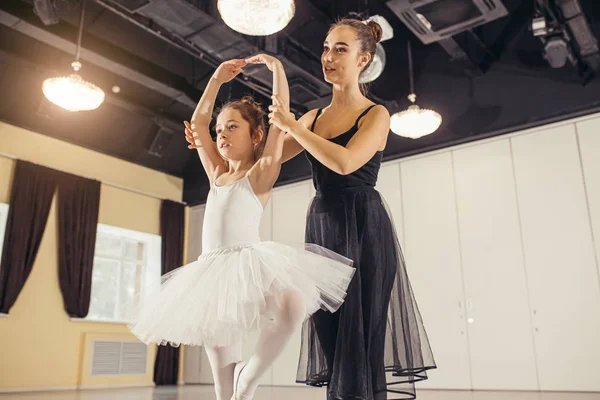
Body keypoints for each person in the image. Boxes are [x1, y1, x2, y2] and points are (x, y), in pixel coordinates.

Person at [127, 56, 355, 400]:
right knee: (223, 379)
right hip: (209, 272)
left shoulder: (261, 172)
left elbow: (280, 122)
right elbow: (199, 123)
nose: (221, 135)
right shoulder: (216, 174)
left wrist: (278, 69)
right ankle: (237, 391)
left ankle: (249, 377)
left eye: (232, 127)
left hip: (250, 262)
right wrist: (216, 78)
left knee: (291, 305)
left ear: (256, 135)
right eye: (220, 131)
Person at [268, 18, 436, 400]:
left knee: (362, 341)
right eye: (326, 48)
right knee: (329, 334)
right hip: (323, 226)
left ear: (364, 59)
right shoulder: (311, 118)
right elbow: (270, 161)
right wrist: (214, 140)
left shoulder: (376, 114)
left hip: (365, 227)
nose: (328, 57)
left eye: (340, 49)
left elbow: (344, 163)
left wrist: (293, 127)